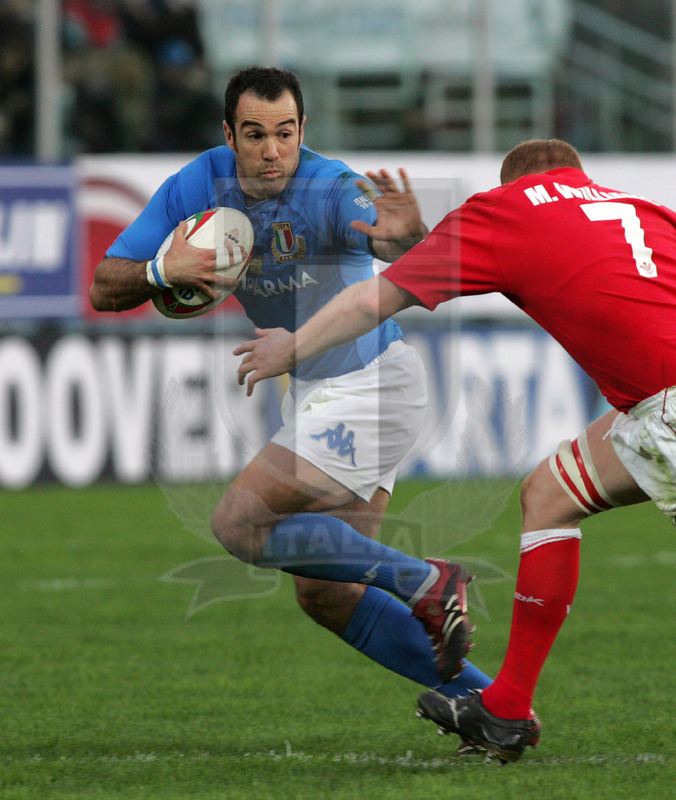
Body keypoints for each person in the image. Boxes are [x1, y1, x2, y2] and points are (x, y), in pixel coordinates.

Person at [235, 138, 676, 762]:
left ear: (508, 181)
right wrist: (421, 239)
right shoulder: (640, 209)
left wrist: (291, 349)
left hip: (667, 408)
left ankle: (505, 703)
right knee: (547, 496)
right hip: (652, 407)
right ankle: (506, 709)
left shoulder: (506, 208)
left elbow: (371, 299)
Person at [90, 66, 490, 706]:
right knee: (327, 594)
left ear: (303, 130)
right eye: (254, 135)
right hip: (328, 393)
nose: (272, 151)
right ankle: (493, 707)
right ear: (230, 134)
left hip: (371, 385)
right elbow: (104, 285)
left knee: (239, 524)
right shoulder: (197, 184)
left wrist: (405, 235)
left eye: (285, 133)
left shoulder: (329, 186)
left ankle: (427, 580)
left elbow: (392, 244)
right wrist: (166, 266)